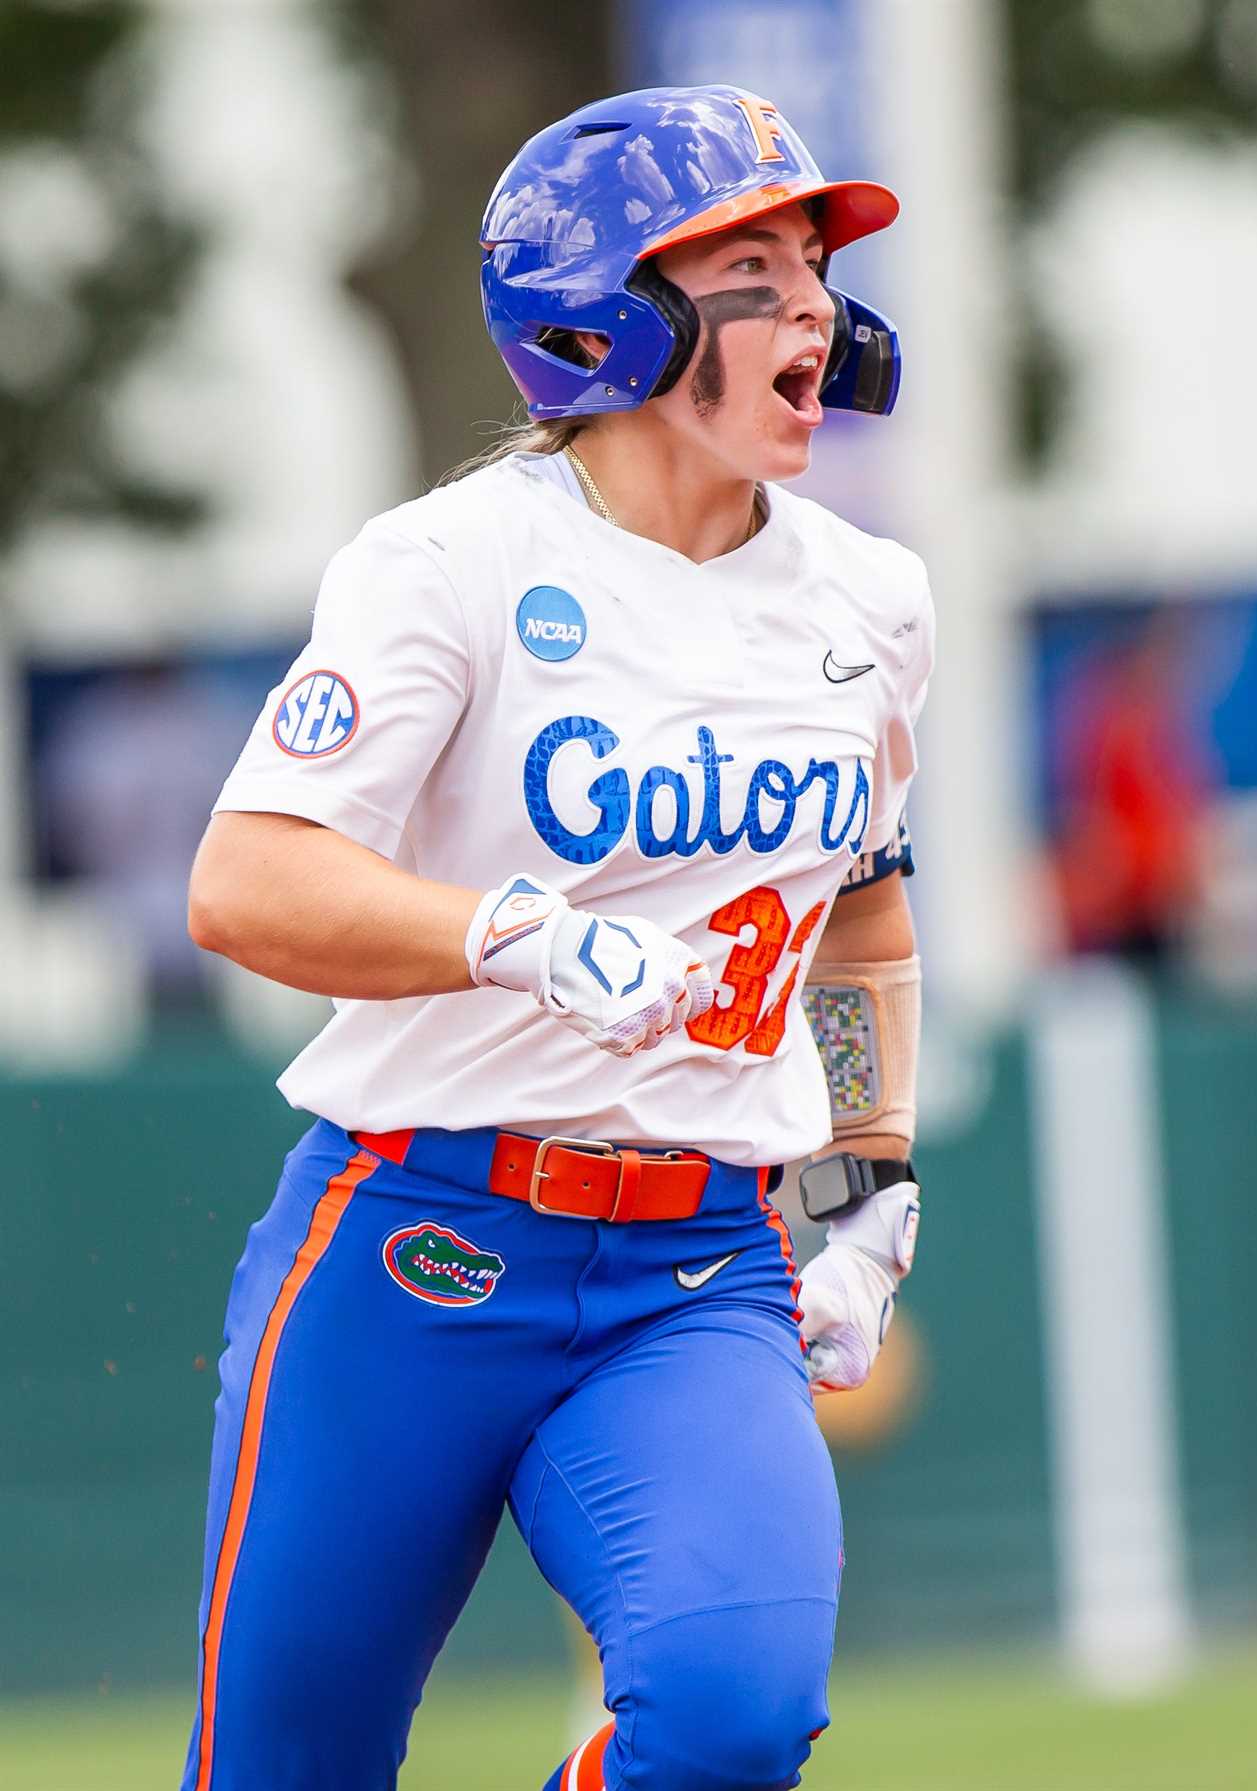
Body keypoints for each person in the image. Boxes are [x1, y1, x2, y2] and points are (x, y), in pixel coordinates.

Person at [181, 84, 932, 1791]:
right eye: (749, 264)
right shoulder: (444, 563)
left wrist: (865, 1177)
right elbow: (245, 881)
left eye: (811, 261)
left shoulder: (872, 602)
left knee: (730, 1725)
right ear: (611, 310)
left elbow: (865, 908)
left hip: (699, 1265)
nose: (814, 303)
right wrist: (515, 938)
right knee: (284, 1773)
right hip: (413, 1244)